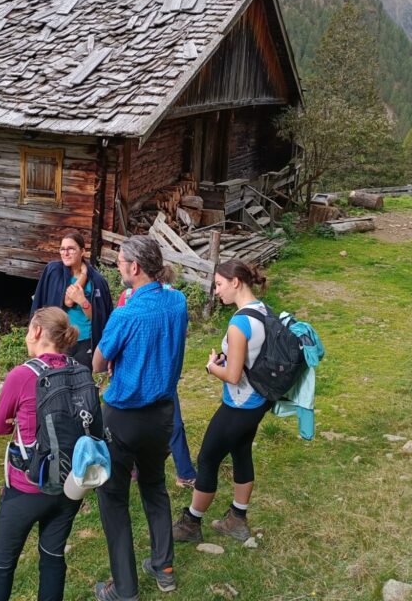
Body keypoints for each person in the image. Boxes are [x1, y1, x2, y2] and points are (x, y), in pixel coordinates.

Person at [92, 235, 187, 600]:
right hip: (163, 414)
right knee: (154, 486)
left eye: (119, 262)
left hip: (123, 417)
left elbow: (99, 362)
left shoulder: (126, 314)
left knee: (113, 497)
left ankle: (125, 589)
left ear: (135, 267)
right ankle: (164, 568)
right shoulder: (177, 301)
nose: (117, 267)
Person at [0, 307, 85, 601]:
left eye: (29, 329)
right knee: (53, 558)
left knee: (2, 567)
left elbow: (1, 425)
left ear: (37, 331)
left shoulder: (22, 375)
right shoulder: (78, 369)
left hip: (26, 486)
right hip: (69, 485)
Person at [172, 260, 274, 545]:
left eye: (218, 284)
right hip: (258, 401)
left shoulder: (239, 322)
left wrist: (211, 367)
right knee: (241, 453)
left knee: (207, 459)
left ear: (235, 282)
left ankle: (191, 523)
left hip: (239, 405)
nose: (216, 292)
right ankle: (237, 520)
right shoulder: (264, 311)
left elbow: (232, 375)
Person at [117, 275, 196, 489]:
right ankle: (133, 468)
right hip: (137, 376)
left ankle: (185, 473)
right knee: (134, 426)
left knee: (174, 423)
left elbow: (183, 330)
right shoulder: (127, 297)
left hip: (160, 374)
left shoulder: (173, 297)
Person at [29, 230, 111, 369]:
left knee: (80, 383)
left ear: (82, 251)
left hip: (85, 340)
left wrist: (82, 301)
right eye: (62, 249)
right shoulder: (53, 272)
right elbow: (39, 304)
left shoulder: (97, 281)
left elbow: (100, 319)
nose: (65, 253)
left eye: (71, 249)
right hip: (57, 340)